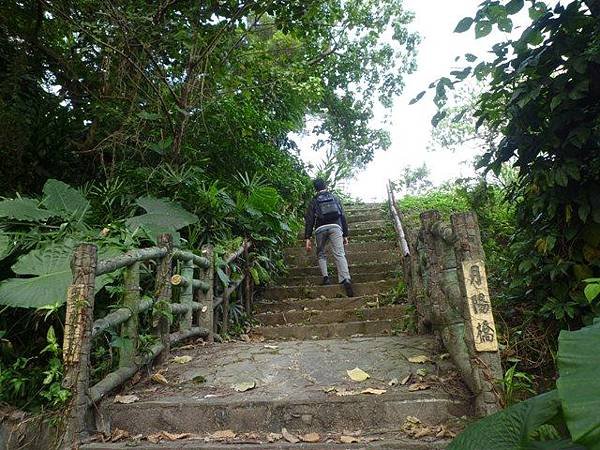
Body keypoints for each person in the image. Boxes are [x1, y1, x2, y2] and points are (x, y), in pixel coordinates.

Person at [304, 178, 354, 297]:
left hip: (320, 228)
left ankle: (326, 278)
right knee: (339, 253)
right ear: (325, 185)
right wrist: (345, 234)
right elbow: (342, 216)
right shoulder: (335, 198)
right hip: (335, 226)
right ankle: (345, 278)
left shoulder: (314, 200)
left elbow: (310, 219)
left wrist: (307, 237)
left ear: (315, 189)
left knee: (321, 253)